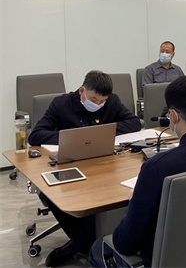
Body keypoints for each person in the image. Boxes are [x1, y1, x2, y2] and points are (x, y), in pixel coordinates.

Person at [89, 76, 186, 268]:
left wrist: (134, 202)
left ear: (173, 116)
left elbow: (126, 242)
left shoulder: (157, 168)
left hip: (170, 259)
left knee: (98, 247)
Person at [28, 71, 141, 267]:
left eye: (102, 101)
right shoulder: (61, 104)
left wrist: (102, 133)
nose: (98, 104)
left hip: (103, 165)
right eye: (94, 99)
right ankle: (85, 244)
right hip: (69, 164)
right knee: (55, 194)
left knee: (110, 192)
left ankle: (78, 245)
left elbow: (134, 123)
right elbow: (36, 135)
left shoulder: (113, 101)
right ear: (82, 90)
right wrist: (72, 138)